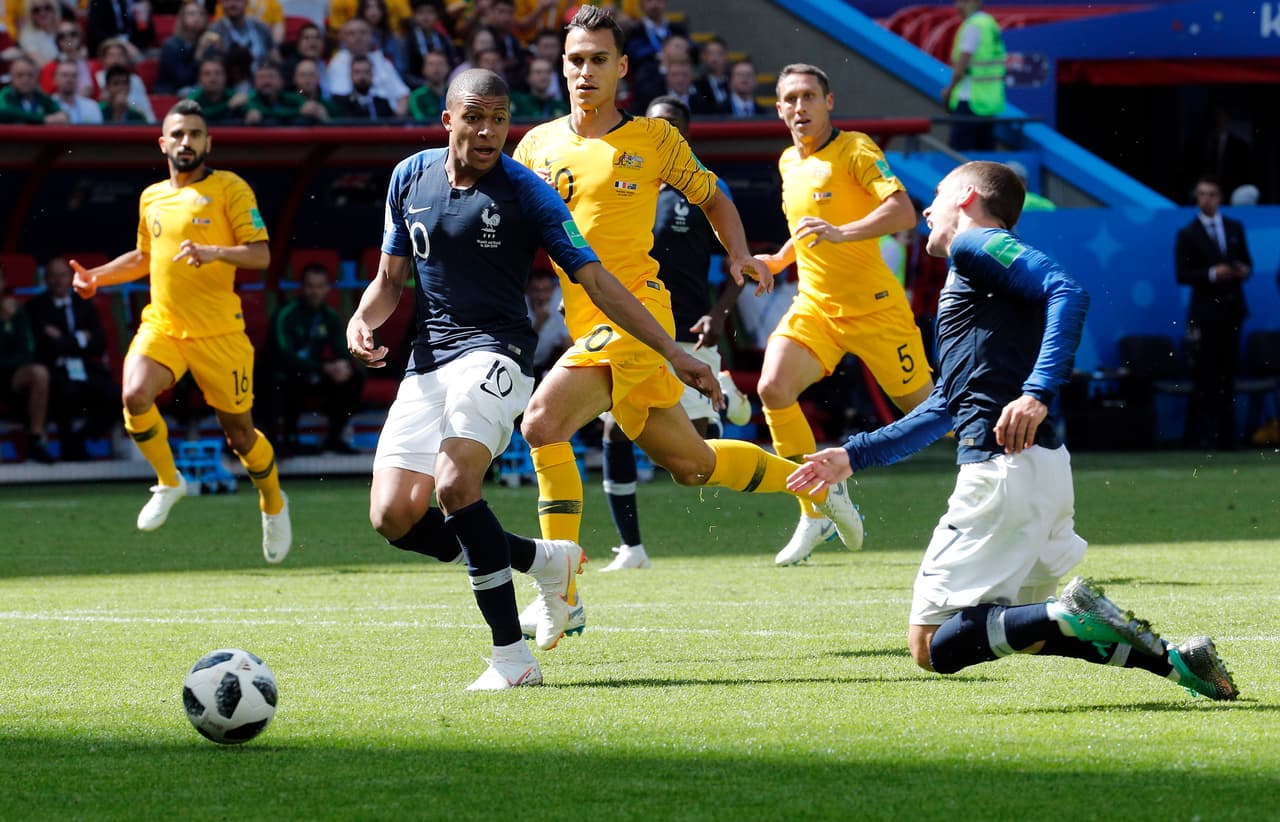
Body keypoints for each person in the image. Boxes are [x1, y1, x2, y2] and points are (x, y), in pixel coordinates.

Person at [787, 160, 1238, 703]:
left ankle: (1067, 610)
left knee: (930, 644)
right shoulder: (981, 273)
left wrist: (1037, 391)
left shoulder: (978, 246)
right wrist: (853, 456)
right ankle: (1176, 663)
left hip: (1002, 472)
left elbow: (1067, 290)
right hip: (1039, 472)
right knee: (1018, 631)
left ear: (969, 198)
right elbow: (948, 405)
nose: (926, 209)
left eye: (937, 195)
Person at [345, 68, 708, 687]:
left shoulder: (528, 192)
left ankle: (512, 659)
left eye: (500, 120)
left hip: (498, 353)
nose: (488, 132)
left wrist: (672, 349)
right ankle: (545, 559)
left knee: (455, 485)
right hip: (428, 360)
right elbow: (390, 280)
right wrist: (362, 318)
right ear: (448, 121)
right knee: (393, 517)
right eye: (475, 118)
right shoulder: (410, 176)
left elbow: (596, 279)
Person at [511, 8, 863, 622]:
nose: (585, 70)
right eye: (575, 59)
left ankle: (560, 592)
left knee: (542, 423)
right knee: (693, 466)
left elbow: (713, 195)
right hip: (583, 321)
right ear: (560, 66)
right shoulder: (535, 145)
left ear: (622, 67)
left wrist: (736, 255)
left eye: (598, 59)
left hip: (637, 317)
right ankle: (815, 486)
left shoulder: (654, 140)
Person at [70, 99, 291, 563]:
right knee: (133, 395)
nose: (186, 142)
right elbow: (143, 258)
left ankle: (272, 500)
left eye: (194, 134)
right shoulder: (151, 196)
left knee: (240, 434)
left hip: (219, 334)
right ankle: (170, 481)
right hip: (164, 326)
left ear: (208, 142)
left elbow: (260, 255)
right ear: (163, 143)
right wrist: (96, 276)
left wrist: (216, 253)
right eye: (178, 134)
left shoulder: (230, 188)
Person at [753, 63, 932, 566]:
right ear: (779, 108)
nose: (799, 107)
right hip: (815, 305)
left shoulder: (856, 149)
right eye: (790, 98)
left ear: (828, 102)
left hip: (876, 310)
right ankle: (817, 510)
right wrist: (777, 261)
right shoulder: (789, 161)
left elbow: (902, 212)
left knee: (934, 413)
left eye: (809, 96)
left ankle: (1015, 463)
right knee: (772, 389)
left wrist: (842, 231)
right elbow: (808, 231)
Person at [596, 95, 749, 573]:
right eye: (657, 125)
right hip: (636, 329)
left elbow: (738, 264)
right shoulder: (627, 185)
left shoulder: (705, 191)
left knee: (696, 460)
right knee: (614, 430)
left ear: (687, 133)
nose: (665, 134)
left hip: (688, 334)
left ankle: (727, 401)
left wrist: (718, 314)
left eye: (674, 127)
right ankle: (632, 547)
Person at [1176, 175, 1252, 451]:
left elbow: (1247, 262)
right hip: (1206, 312)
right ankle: (1203, 437)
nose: (1206, 199)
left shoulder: (1234, 227)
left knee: (1228, 375)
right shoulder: (1187, 233)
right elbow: (1182, 274)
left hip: (1232, 310)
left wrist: (1240, 271)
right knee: (1205, 376)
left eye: (1211, 194)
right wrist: (1211, 273)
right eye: (1201, 194)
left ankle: (1229, 437)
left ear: (1219, 197)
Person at [260, 263, 363, 454]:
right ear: (302, 287)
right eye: (310, 286)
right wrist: (323, 368)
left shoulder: (329, 316)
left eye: (320, 286)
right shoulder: (287, 314)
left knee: (353, 377)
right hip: (283, 373)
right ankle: (287, 440)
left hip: (314, 371)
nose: (315, 292)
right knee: (288, 378)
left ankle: (335, 438)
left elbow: (341, 349)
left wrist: (343, 366)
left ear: (327, 288)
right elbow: (285, 355)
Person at [24, 256, 119, 461]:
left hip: (84, 367)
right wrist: (80, 338)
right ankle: (69, 447)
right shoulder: (35, 308)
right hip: (55, 370)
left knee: (114, 393)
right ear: (45, 279)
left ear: (70, 278)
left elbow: (99, 343)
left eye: (62, 276)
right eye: (53, 276)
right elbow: (44, 346)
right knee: (62, 390)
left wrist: (64, 340)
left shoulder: (84, 304)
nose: (58, 281)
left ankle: (80, 438)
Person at [0, 262, 54, 463]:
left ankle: (35, 439)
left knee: (39, 373)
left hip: (11, 376)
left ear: (4, 282)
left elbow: (27, 352)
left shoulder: (16, 313)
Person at [942, 0, 1005, 152]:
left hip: (969, 101)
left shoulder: (973, 26)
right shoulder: (990, 23)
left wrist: (949, 91)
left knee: (959, 157)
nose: (956, 7)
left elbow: (960, 68)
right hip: (989, 102)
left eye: (960, 2)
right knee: (986, 158)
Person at [0, 55, 69, 124]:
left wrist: (60, 117)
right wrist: (43, 119)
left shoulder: (42, 97)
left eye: (30, 75)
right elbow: (6, 112)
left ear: (37, 77)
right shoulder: (5, 94)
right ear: (11, 77)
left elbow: (62, 116)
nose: (25, 80)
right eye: (19, 75)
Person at [333, 54, 398, 119]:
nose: (362, 77)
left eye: (366, 72)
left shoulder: (383, 104)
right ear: (351, 75)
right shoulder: (341, 103)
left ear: (372, 74)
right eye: (357, 72)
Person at [50, 58, 105, 124]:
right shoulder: (47, 105)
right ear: (54, 79)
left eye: (74, 76)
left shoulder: (91, 106)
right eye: (64, 75)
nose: (69, 79)